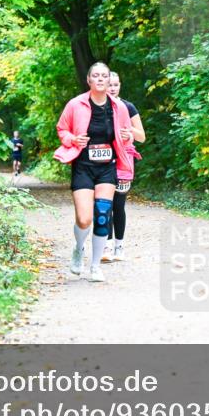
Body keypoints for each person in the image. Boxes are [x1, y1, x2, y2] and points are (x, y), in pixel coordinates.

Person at [54, 62, 135, 282]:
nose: (100, 79)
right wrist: (72, 139)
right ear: (88, 80)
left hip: (108, 166)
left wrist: (127, 138)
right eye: (96, 76)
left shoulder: (119, 108)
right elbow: (62, 129)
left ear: (110, 81)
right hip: (82, 165)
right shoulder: (75, 104)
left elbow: (127, 135)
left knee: (102, 215)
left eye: (104, 76)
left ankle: (96, 265)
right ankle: (78, 249)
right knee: (84, 218)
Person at [102, 71, 145, 262]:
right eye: (109, 84)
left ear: (120, 85)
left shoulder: (128, 107)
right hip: (102, 160)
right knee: (104, 205)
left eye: (115, 84)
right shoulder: (97, 106)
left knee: (118, 205)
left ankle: (119, 246)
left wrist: (129, 132)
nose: (112, 88)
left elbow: (142, 137)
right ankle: (106, 247)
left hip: (123, 162)